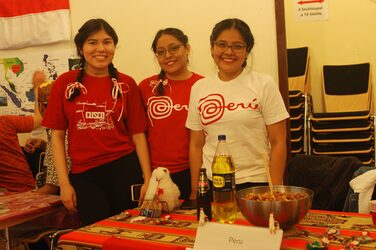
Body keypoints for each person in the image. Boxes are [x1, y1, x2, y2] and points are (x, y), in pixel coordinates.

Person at [42, 18, 152, 225]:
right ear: (81, 48)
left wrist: (147, 179)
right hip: (85, 175)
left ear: (114, 46)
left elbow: (138, 135)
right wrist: (64, 184)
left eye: (107, 42)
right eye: (92, 42)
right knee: (97, 235)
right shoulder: (65, 83)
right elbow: (56, 137)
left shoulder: (126, 84)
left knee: (129, 232)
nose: (101, 49)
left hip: (124, 169)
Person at [186, 18, 289, 196]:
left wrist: (275, 190)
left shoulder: (264, 84)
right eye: (222, 44)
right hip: (213, 181)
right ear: (212, 48)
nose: (229, 52)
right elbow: (196, 145)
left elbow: (278, 142)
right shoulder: (199, 88)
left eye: (238, 46)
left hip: (255, 182)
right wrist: (196, 190)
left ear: (247, 50)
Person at [138, 28, 203, 200]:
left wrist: (196, 186)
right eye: (161, 52)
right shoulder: (146, 86)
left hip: (193, 172)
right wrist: (146, 178)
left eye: (174, 48)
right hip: (155, 175)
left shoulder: (203, 86)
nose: (168, 55)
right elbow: (138, 135)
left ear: (187, 48)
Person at [0, 70, 46, 192]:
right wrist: (38, 87)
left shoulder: (4, 122)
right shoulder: (4, 122)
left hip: (15, 195)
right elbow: (39, 118)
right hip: (27, 189)